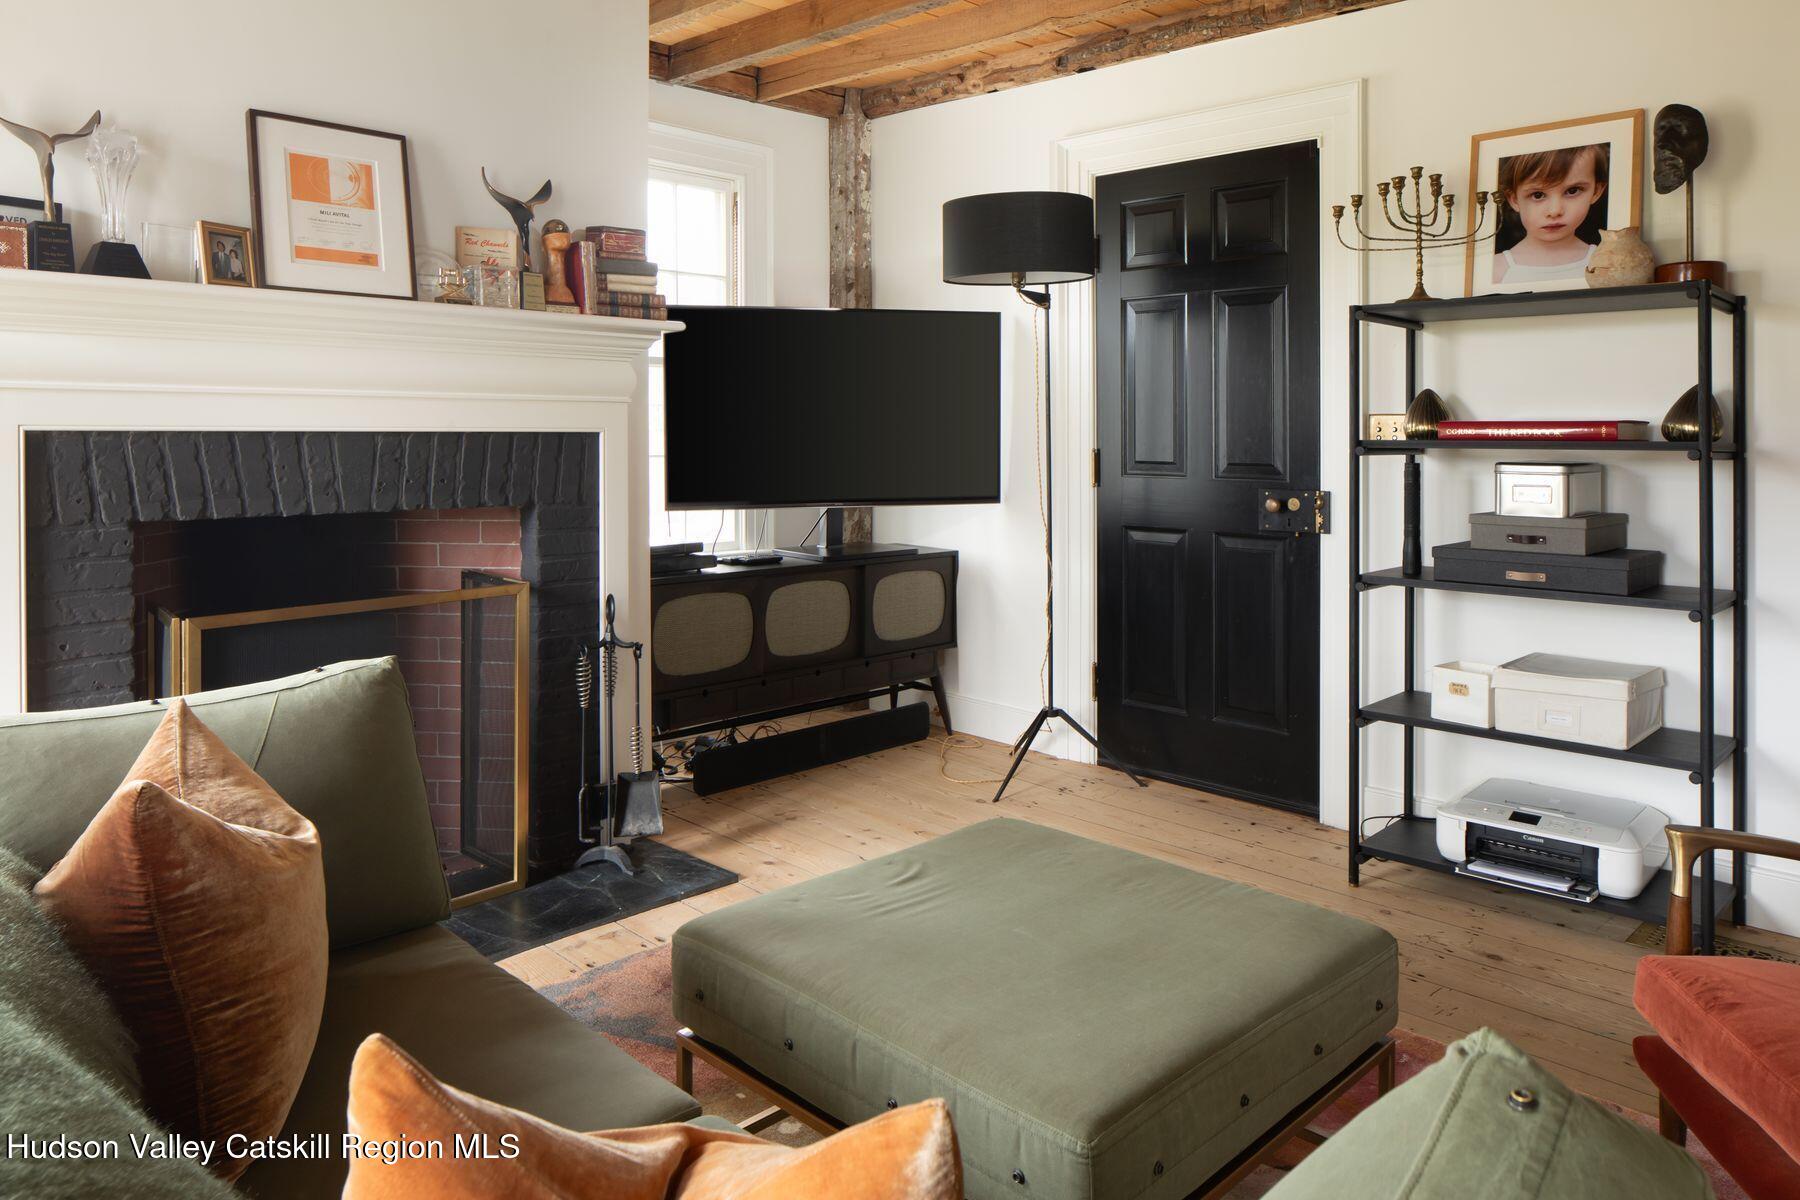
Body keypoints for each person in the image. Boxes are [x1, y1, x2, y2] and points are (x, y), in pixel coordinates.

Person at [1491, 143, 1608, 285]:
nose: (1555, 211)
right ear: (1514, 199)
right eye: (1538, 195)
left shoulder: (1608, 265)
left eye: (1572, 191)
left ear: (1596, 191)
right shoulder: (1495, 270)